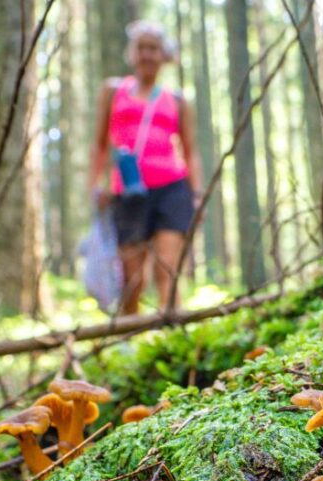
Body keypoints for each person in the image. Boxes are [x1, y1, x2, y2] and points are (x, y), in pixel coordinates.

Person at [88, 20, 203, 315]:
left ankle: (173, 341)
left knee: (167, 270)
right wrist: (95, 184)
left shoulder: (177, 100)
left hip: (172, 189)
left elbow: (190, 151)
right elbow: (100, 143)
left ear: (162, 54)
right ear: (132, 53)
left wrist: (197, 194)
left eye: (153, 48)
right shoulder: (114, 91)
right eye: (141, 48)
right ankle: (129, 346)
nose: (147, 55)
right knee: (132, 280)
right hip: (127, 192)